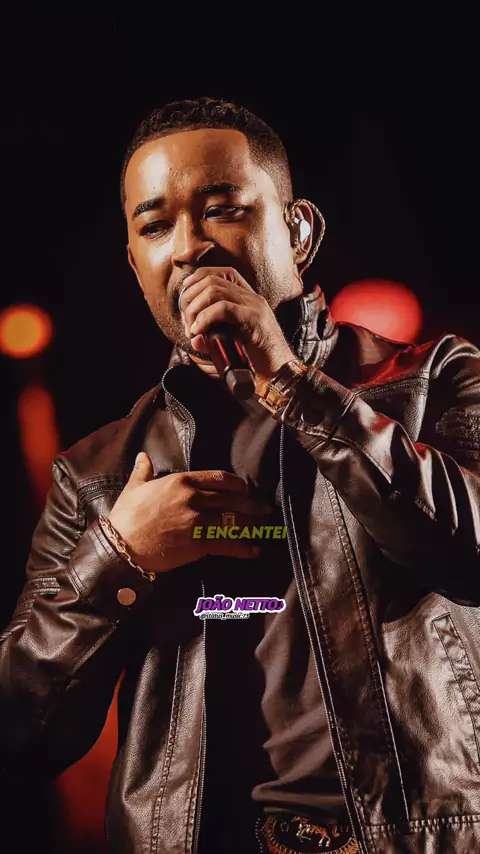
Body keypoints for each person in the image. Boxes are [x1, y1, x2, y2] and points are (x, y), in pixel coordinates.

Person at [1, 96, 480, 854]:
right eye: (155, 226)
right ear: (135, 264)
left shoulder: (432, 381)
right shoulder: (96, 474)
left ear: (299, 231)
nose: (188, 247)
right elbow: (20, 737)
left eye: (222, 210)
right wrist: (117, 558)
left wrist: (289, 381)